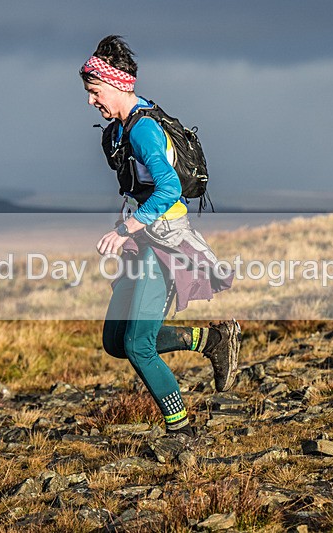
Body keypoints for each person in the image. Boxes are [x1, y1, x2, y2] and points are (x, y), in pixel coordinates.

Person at [80, 35, 242, 438]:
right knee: (116, 340)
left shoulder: (144, 130)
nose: (90, 102)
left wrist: (126, 229)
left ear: (117, 84)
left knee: (138, 345)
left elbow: (169, 188)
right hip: (144, 240)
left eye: (94, 91)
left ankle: (181, 432)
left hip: (164, 243)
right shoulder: (122, 127)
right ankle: (212, 338)